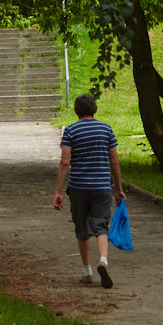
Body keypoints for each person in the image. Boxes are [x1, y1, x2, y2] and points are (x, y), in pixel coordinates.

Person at [53, 93, 126, 288]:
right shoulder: (106, 129)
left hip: (78, 187)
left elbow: (65, 161)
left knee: (81, 227)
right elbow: (115, 161)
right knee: (101, 226)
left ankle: (87, 272)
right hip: (102, 186)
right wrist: (118, 188)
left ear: (76, 111)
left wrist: (58, 190)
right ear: (95, 109)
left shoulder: (70, 131)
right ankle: (103, 260)